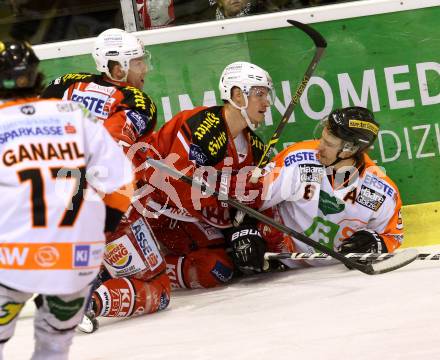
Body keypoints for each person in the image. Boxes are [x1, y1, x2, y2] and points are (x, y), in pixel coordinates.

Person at [0, 41, 133, 360]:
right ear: (35, 76)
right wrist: (102, 229)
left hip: (13, 257)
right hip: (75, 256)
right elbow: (122, 182)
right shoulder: (73, 114)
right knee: (53, 348)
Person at [41, 29, 170, 331]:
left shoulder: (66, 82)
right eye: (138, 62)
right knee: (160, 288)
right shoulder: (137, 100)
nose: (145, 69)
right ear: (117, 68)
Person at [134, 61, 274, 289]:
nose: (266, 102)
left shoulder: (255, 145)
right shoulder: (203, 126)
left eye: (267, 95)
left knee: (233, 263)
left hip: (195, 218)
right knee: (215, 268)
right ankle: (143, 273)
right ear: (238, 95)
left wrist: (244, 231)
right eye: (259, 94)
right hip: (154, 208)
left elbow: (251, 201)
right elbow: (179, 190)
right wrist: (233, 187)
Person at [245, 106, 404, 270]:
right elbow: (252, 198)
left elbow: (393, 235)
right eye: (323, 138)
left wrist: (374, 243)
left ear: (351, 150)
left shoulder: (381, 191)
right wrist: (247, 229)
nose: (319, 146)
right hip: (278, 263)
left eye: (328, 144)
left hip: (333, 274)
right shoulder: (297, 159)